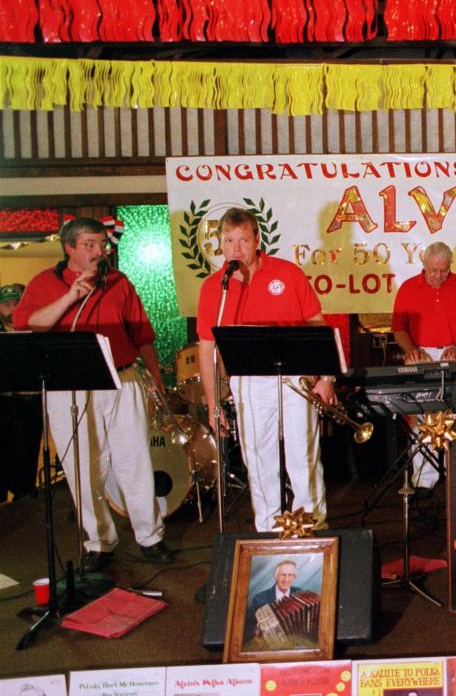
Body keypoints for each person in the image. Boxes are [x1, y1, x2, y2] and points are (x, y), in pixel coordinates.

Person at [13, 218, 172, 571]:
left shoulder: (119, 281)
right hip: (69, 385)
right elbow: (27, 324)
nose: (98, 252)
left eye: (101, 245)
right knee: (82, 465)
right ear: (69, 247)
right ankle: (99, 542)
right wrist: (72, 295)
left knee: (134, 460)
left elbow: (143, 335)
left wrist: (155, 378)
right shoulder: (44, 283)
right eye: (89, 245)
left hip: (123, 378)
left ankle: (151, 536)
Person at [197, 207, 335, 532]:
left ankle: (311, 526)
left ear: (257, 239)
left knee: (302, 455)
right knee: (259, 458)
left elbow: (316, 323)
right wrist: (212, 401)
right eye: (228, 241)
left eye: (243, 239)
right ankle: (269, 529)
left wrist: (326, 376)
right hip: (248, 381)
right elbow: (207, 348)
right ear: (220, 244)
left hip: (295, 375)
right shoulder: (215, 287)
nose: (236, 248)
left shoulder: (287, 273)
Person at [391, 241, 456, 492]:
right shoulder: (409, 288)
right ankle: (424, 481)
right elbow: (399, 328)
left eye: (444, 270)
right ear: (423, 264)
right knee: (422, 420)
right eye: (434, 270)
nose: (439, 276)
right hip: (422, 357)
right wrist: (411, 349)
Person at [0, 283, 42, 501]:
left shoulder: (31, 327)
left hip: (29, 400)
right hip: (4, 401)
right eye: (6, 304)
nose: (11, 308)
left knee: (27, 449)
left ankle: (24, 491)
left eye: (16, 303)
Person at [244, 559, 301, 642]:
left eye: (290, 575)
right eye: (283, 575)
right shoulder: (259, 599)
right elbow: (247, 624)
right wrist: (255, 632)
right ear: (276, 576)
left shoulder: (299, 593)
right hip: (269, 643)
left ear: (294, 577)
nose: (286, 579)